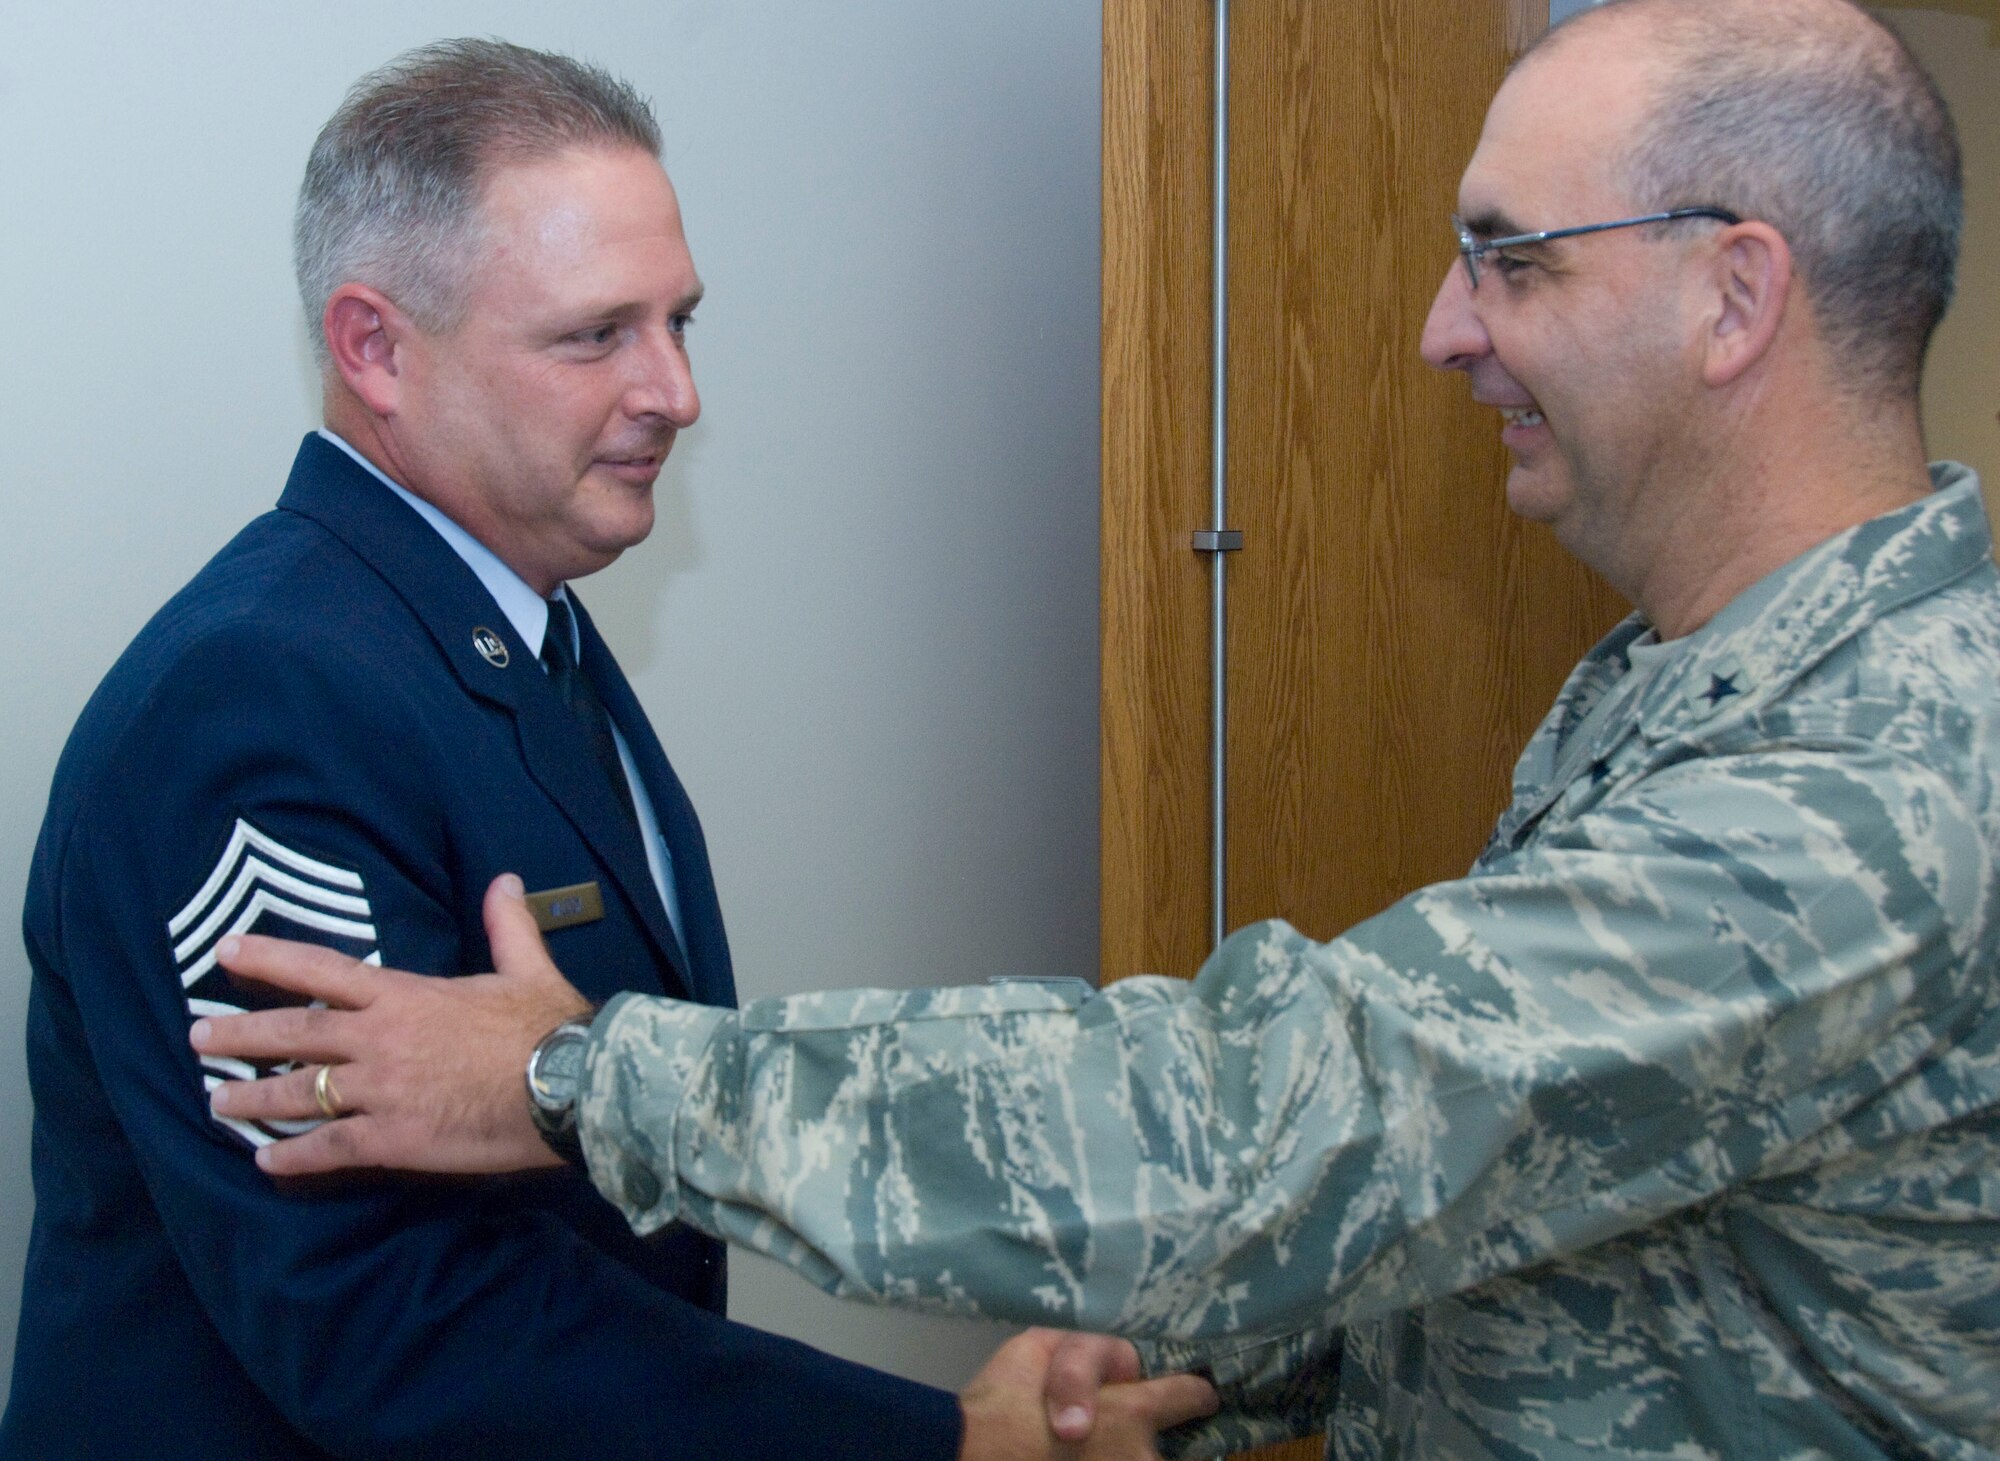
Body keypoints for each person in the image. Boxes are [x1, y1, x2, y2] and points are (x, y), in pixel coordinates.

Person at [195, 0, 2000, 1455]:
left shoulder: (1876, 784)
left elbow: (1304, 1113)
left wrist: (574, 1075)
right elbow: (1560, 1187)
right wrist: (1205, 1365)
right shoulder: (1676, 681)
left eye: (1511, 258)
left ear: (1735, 294)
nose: (1445, 329)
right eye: (599, 333)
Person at [3, 37, 1211, 1461]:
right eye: (595, 336)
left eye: (679, 321)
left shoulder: (510, 624)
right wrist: (934, 1441)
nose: (675, 393)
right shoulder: (263, 700)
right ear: (375, 347)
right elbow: (387, 1314)